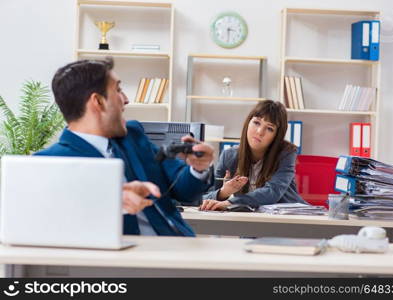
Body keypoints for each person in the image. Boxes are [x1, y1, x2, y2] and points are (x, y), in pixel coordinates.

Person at [35, 57, 214, 236]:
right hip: (113, 259)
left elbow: (184, 191)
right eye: (118, 90)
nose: (126, 99)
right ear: (98, 101)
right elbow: (49, 224)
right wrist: (111, 203)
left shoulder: (133, 135)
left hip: (177, 246)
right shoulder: (49, 163)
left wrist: (197, 169)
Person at [201, 100, 307, 211]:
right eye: (256, 123)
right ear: (248, 123)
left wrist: (230, 202)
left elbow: (273, 192)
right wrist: (223, 192)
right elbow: (205, 196)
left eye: (269, 128)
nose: (260, 131)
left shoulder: (286, 154)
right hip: (249, 220)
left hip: (287, 219)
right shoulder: (229, 155)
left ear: (276, 136)